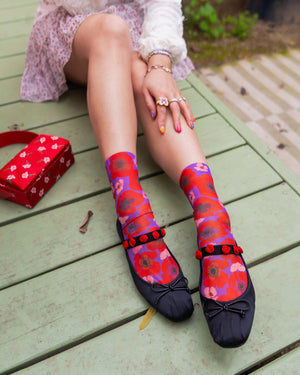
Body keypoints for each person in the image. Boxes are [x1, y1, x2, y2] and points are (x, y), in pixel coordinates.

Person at [21, 0, 255, 348]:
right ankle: (128, 200)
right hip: (76, 26)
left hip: (138, 29)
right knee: (112, 30)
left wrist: (159, 63)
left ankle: (211, 214)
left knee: (138, 66)